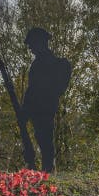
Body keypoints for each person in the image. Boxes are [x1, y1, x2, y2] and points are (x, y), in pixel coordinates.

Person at [21, 28, 71, 173]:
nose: (30, 47)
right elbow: (32, 89)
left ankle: (47, 172)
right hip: (39, 107)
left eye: (32, 44)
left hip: (43, 107)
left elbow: (36, 89)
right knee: (42, 138)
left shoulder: (48, 63)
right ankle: (44, 171)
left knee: (45, 140)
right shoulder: (39, 63)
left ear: (40, 43)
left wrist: (26, 109)